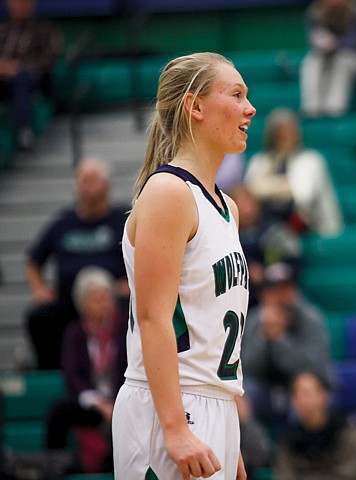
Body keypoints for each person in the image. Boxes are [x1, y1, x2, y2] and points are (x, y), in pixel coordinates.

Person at [111, 52, 256, 479]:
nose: (250, 108)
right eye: (236, 95)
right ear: (194, 107)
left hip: (213, 405)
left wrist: (230, 435)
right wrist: (175, 429)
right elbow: (154, 317)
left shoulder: (227, 205)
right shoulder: (169, 192)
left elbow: (208, 325)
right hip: (171, 407)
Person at [25, 157, 129, 370]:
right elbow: (34, 260)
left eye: (92, 180)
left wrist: (132, 283)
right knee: (39, 317)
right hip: (70, 301)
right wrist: (39, 288)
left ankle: (125, 370)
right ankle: (52, 373)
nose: (86, 186)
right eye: (81, 180)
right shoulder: (63, 222)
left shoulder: (123, 220)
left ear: (107, 185)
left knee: (134, 312)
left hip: (112, 299)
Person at [45, 266, 127, 474]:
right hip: (92, 402)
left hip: (123, 397)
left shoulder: (125, 326)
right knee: (59, 409)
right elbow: (72, 375)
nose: (103, 303)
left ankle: (115, 468)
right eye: (96, 299)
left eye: (106, 297)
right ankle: (54, 467)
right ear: (82, 304)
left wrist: (117, 402)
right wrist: (99, 403)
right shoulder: (75, 332)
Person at [241, 262, 333, 434]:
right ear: (263, 295)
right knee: (243, 394)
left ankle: (300, 456)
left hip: (304, 388)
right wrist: (263, 337)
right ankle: (257, 454)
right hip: (267, 390)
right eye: (273, 290)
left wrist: (279, 339)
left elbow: (314, 368)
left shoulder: (312, 319)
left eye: (285, 289)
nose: (280, 297)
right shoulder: (254, 321)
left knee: (306, 392)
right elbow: (246, 368)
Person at [243, 107, 344, 238]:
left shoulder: (311, 160)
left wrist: (267, 188)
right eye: (280, 133)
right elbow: (250, 192)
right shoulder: (259, 161)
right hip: (265, 226)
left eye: (289, 132)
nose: (285, 137)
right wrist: (284, 186)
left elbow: (303, 195)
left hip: (306, 226)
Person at [273, 371, 356, 480]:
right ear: (294, 401)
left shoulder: (346, 430)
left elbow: (350, 473)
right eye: (298, 394)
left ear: (324, 396)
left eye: (308, 393)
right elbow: (284, 475)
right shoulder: (288, 439)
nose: (303, 399)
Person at [299, 0, 356, 118]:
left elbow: (354, 42)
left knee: (342, 60)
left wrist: (333, 43)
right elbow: (311, 41)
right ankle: (311, 108)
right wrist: (320, 43)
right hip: (331, 58)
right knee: (312, 60)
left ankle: (335, 109)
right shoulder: (314, 11)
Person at [0, 0, 63, 150]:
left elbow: (50, 59)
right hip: (3, 78)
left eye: (22, 2)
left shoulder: (44, 29)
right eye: (14, 2)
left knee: (20, 79)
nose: (18, 5)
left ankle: (24, 131)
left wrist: (17, 68)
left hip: (32, 79)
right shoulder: (2, 29)